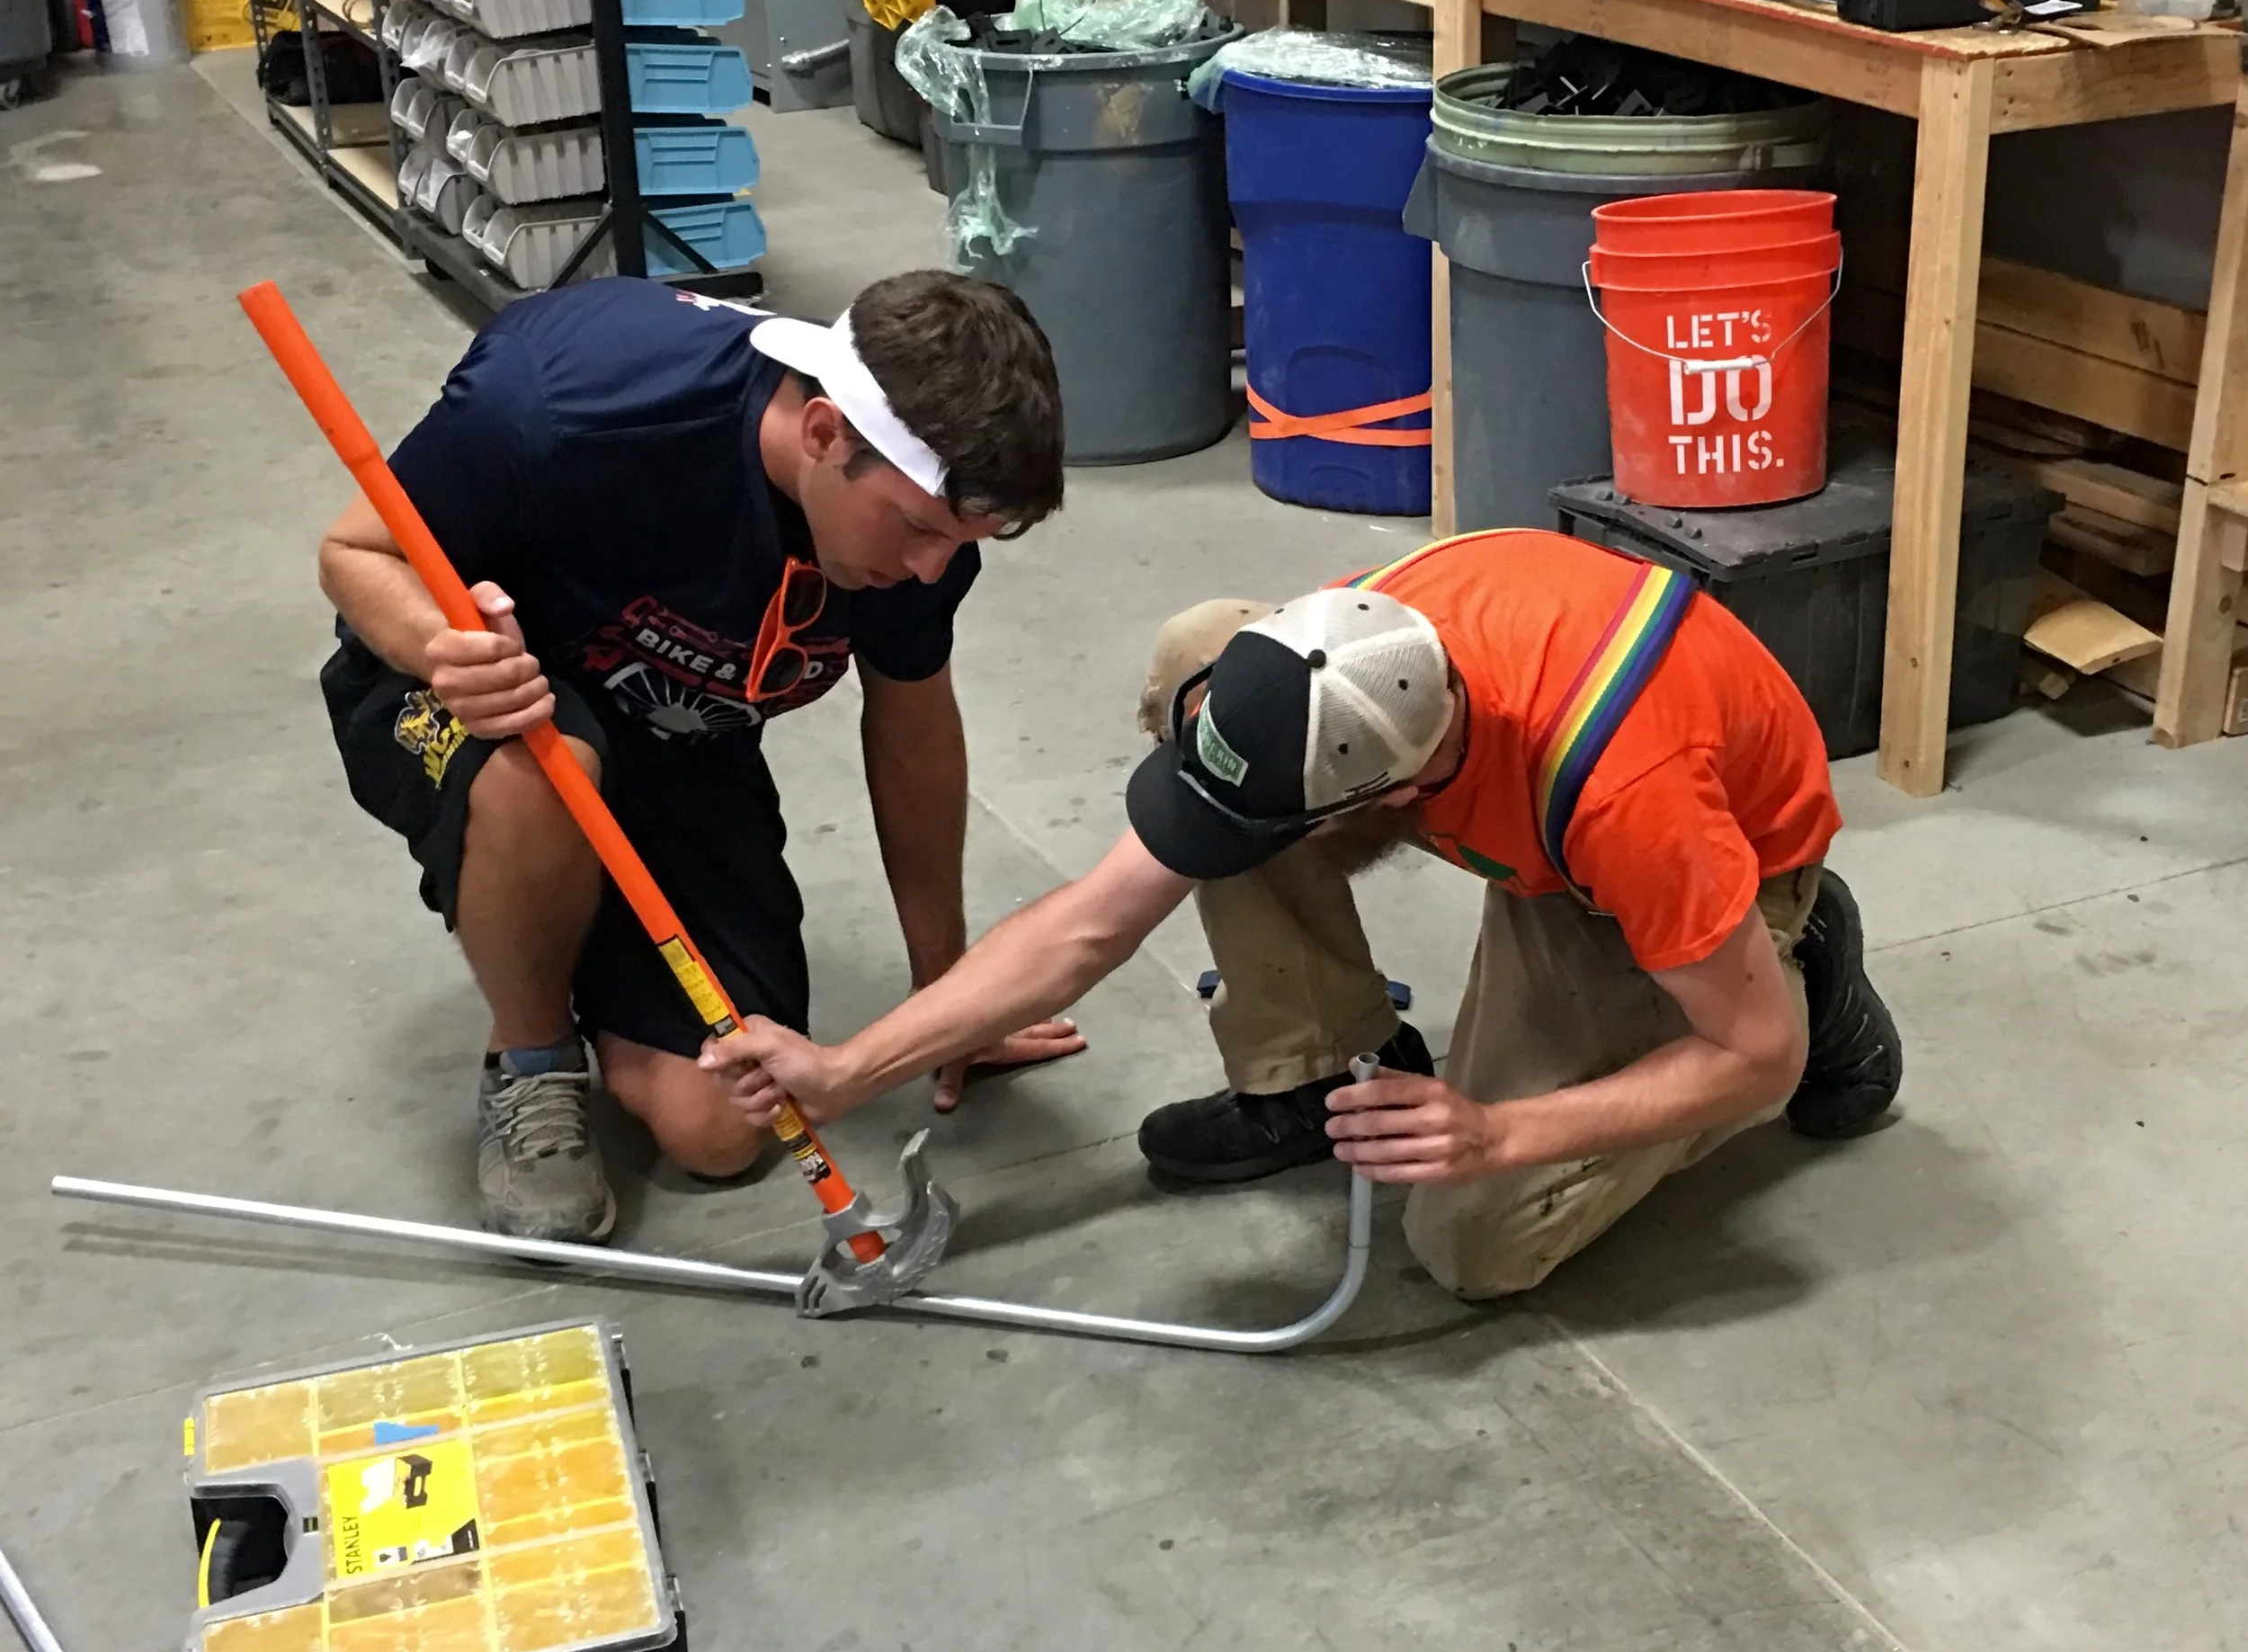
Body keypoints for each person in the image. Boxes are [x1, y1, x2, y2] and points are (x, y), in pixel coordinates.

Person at [699, 530, 1903, 1299]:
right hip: (1534, 801)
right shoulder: (1349, 645)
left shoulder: (1628, 804)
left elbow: (1756, 1060)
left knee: (1471, 1244)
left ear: (1397, 800)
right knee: (1193, 651)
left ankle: (1803, 953)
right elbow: (1094, 921)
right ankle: (1311, 1068)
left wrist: (1495, 1135)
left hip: (1674, 873)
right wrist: (850, 1068)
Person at [317, 272, 1085, 1246]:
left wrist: (949, 995)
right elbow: (355, 553)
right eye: (922, 531)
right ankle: (531, 1055)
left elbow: (912, 727)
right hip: (472, 689)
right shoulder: (564, 403)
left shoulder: (912, 521)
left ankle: (568, 926)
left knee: (718, 1128)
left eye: (965, 540)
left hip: (678, 736)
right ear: (821, 434)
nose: (933, 567)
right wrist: (443, 651)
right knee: (534, 766)